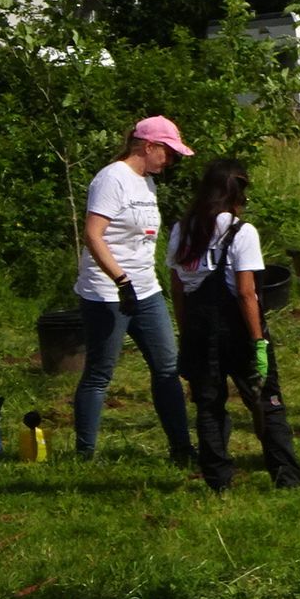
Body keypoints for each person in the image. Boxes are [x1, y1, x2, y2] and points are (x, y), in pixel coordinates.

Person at [168, 156, 300, 491]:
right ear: (236, 194)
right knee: (267, 401)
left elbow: (178, 289)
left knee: (209, 406)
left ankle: (218, 481)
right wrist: (258, 342)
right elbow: (246, 293)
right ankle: (286, 477)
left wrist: (186, 335)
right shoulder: (241, 232)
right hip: (238, 330)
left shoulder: (182, 230)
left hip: (198, 331)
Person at [73, 116, 196, 464]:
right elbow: (93, 234)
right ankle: (85, 454)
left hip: (146, 290)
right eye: (168, 153)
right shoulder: (113, 179)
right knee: (100, 372)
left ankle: (181, 448)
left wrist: (139, 282)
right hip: (107, 292)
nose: (170, 161)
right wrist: (120, 280)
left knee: (167, 367)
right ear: (148, 146)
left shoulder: (147, 183)